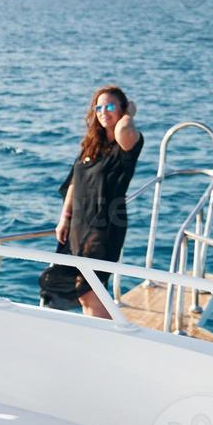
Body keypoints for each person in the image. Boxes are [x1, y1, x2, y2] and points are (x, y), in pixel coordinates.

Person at [45, 86, 144, 319]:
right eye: (98, 107)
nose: (103, 112)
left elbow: (124, 130)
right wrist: (64, 219)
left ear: (122, 109)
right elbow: (74, 183)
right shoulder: (91, 145)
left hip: (105, 227)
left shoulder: (127, 142)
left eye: (110, 106)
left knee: (91, 291)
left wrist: (130, 113)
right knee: (84, 293)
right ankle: (106, 335)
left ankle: (109, 339)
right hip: (80, 225)